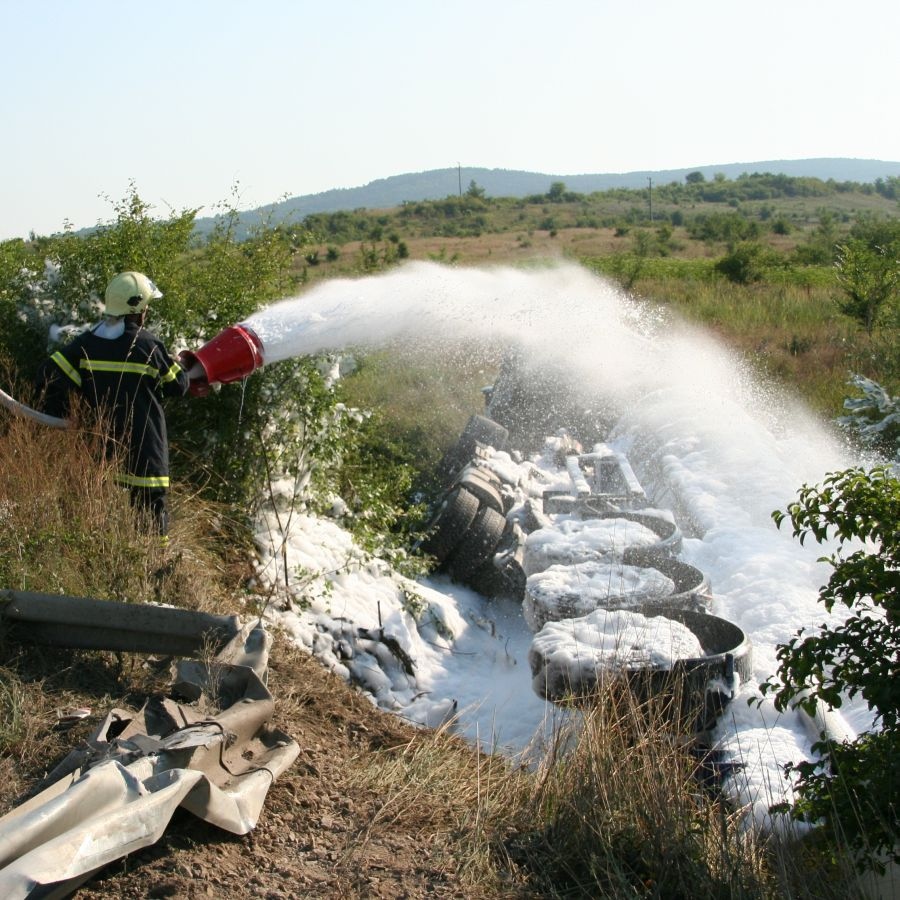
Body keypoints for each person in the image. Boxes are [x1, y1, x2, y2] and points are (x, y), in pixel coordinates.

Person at [34, 271, 190, 539]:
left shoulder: (86, 343)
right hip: (144, 452)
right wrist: (178, 363)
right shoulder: (148, 345)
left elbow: (49, 373)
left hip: (101, 452)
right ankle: (154, 566)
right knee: (151, 520)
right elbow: (179, 385)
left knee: (98, 521)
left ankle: (106, 559)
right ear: (138, 310)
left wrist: (66, 413)